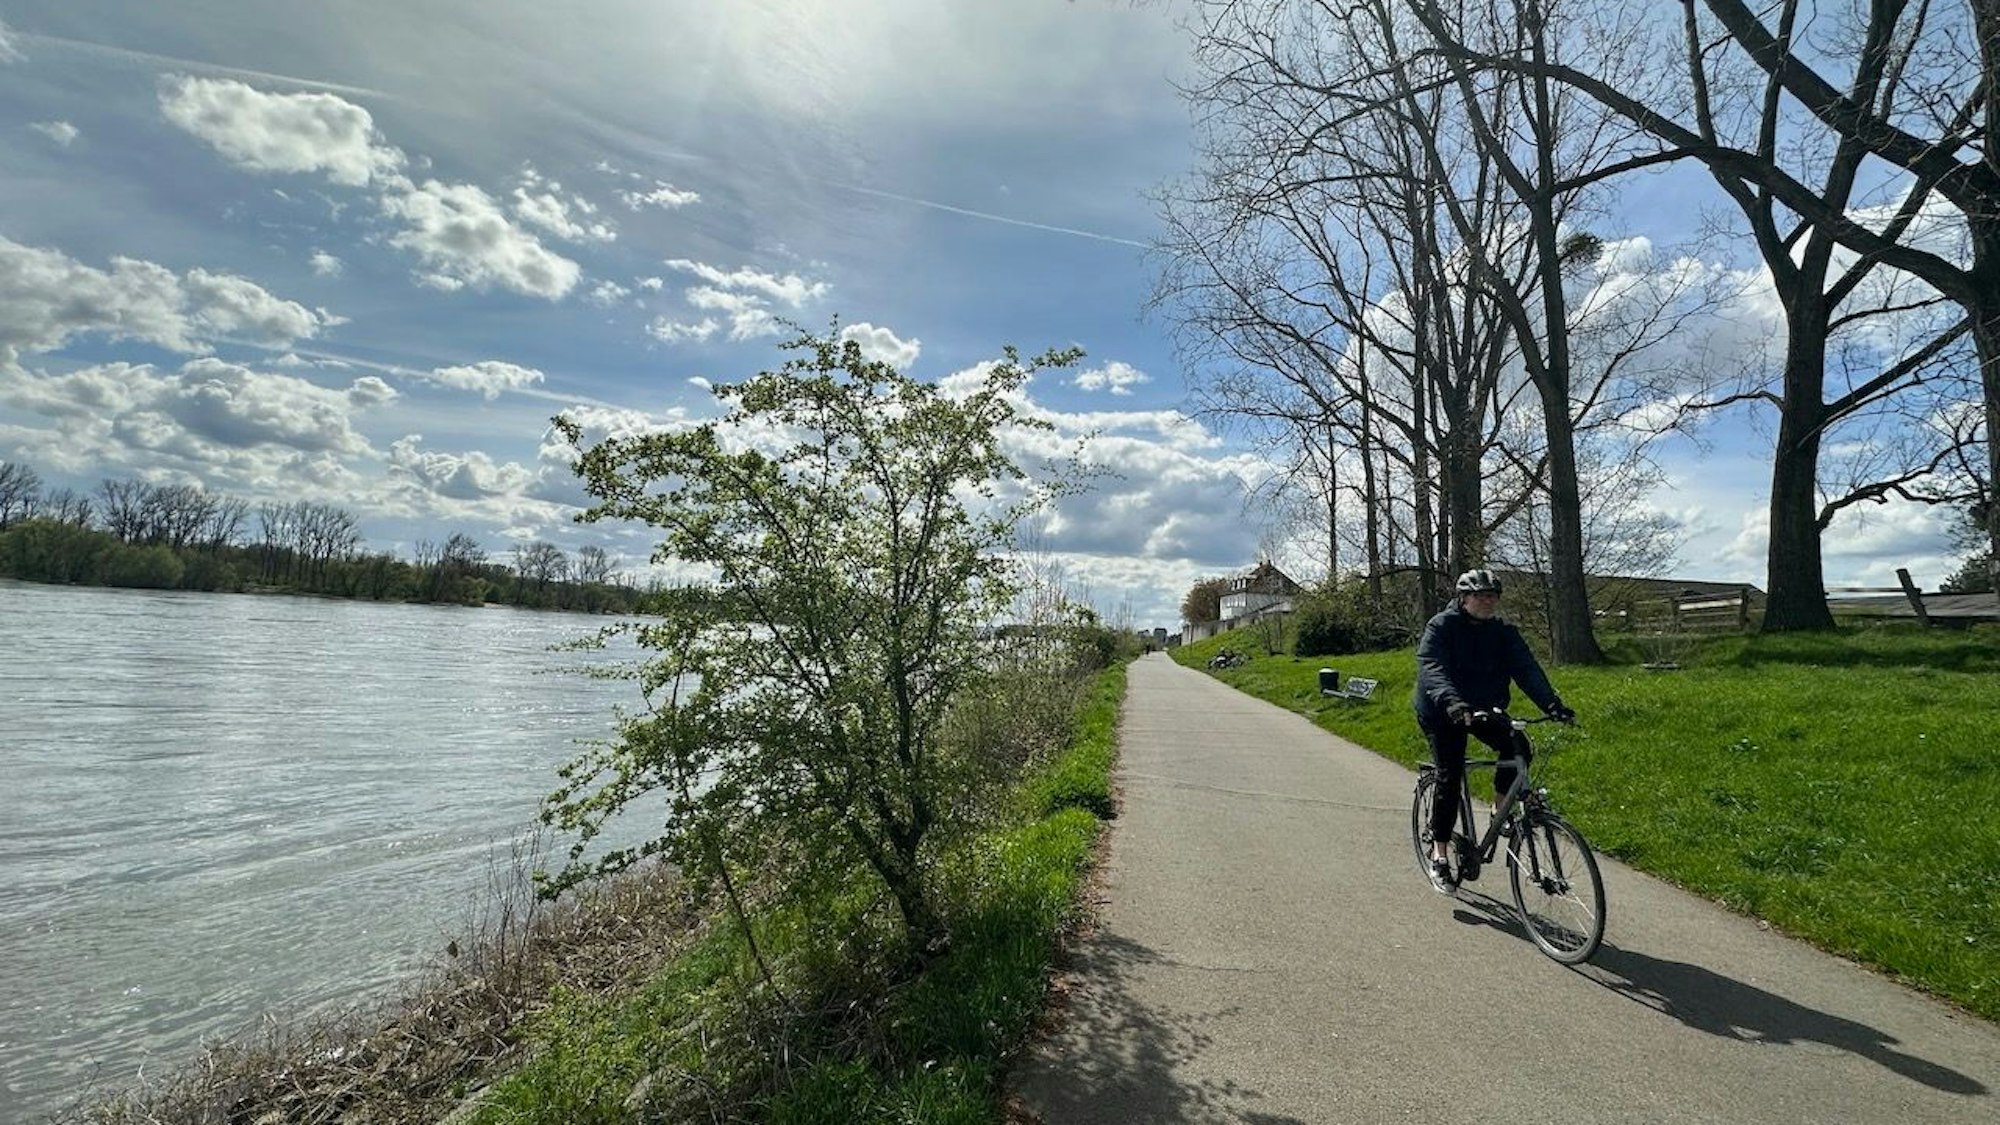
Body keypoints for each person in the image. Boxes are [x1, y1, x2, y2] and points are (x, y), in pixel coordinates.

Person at [1413, 568, 1575, 892]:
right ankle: (1439, 855)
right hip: (1442, 709)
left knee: (1518, 748)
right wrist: (1452, 702)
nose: (1487, 601)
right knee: (1450, 775)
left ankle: (1499, 811)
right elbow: (1432, 667)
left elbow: (1527, 670)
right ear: (1464, 598)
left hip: (1484, 708)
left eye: (1492, 596)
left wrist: (1551, 704)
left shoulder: (1503, 633)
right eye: (1480, 596)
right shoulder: (1441, 626)